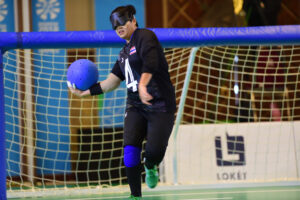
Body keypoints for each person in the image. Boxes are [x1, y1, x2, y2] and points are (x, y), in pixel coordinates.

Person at [68, 5, 176, 200]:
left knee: (154, 151)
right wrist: (84, 93)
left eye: (122, 21)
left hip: (159, 104)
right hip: (135, 105)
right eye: (114, 25)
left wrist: (143, 85)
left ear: (133, 20)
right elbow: (112, 82)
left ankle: (150, 166)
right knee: (129, 150)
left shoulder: (145, 37)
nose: (118, 27)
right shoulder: (123, 53)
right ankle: (135, 195)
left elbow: (151, 61)